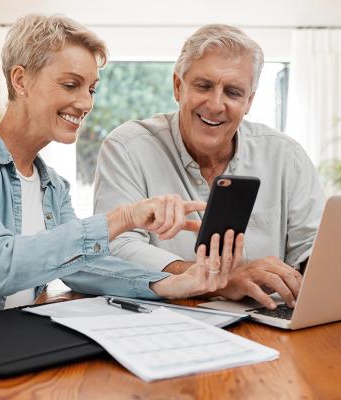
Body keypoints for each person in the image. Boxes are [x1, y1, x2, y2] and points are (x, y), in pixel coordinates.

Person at [0, 15, 244, 315]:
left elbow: (81, 266)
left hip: (9, 343)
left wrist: (169, 284)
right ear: (20, 80)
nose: (85, 103)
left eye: (91, 89)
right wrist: (122, 218)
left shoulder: (51, 185)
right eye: (70, 85)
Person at [94, 24, 326, 310]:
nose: (216, 105)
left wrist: (321, 268)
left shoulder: (285, 155)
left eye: (233, 92)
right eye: (204, 86)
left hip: (266, 319)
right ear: (178, 87)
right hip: (165, 321)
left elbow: (316, 245)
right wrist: (213, 279)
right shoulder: (128, 148)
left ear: (249, 101)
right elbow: (113, 247)